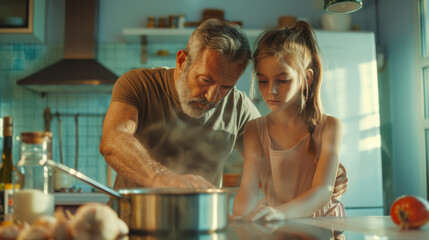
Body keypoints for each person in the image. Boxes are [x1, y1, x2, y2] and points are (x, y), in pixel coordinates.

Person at [100, 18, 348, 194]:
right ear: (182, 61)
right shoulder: (138, 84)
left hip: (199, 227)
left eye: (226, 86)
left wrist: (320, 169)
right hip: (132, 225)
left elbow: (275, 156)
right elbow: (113, 140)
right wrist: (160, 177)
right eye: (205, 80)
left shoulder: (238, 106)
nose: (212, 96)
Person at [233, 21, 346, 221]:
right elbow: (248, 189)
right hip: (278, 231)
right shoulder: (254, 130)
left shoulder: (329, 127)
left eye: (283, 80)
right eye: (262, 81)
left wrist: (279, 213)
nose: (271, 90)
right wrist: (240, 219)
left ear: (307, 78)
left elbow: (322, 191)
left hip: (320, 231)